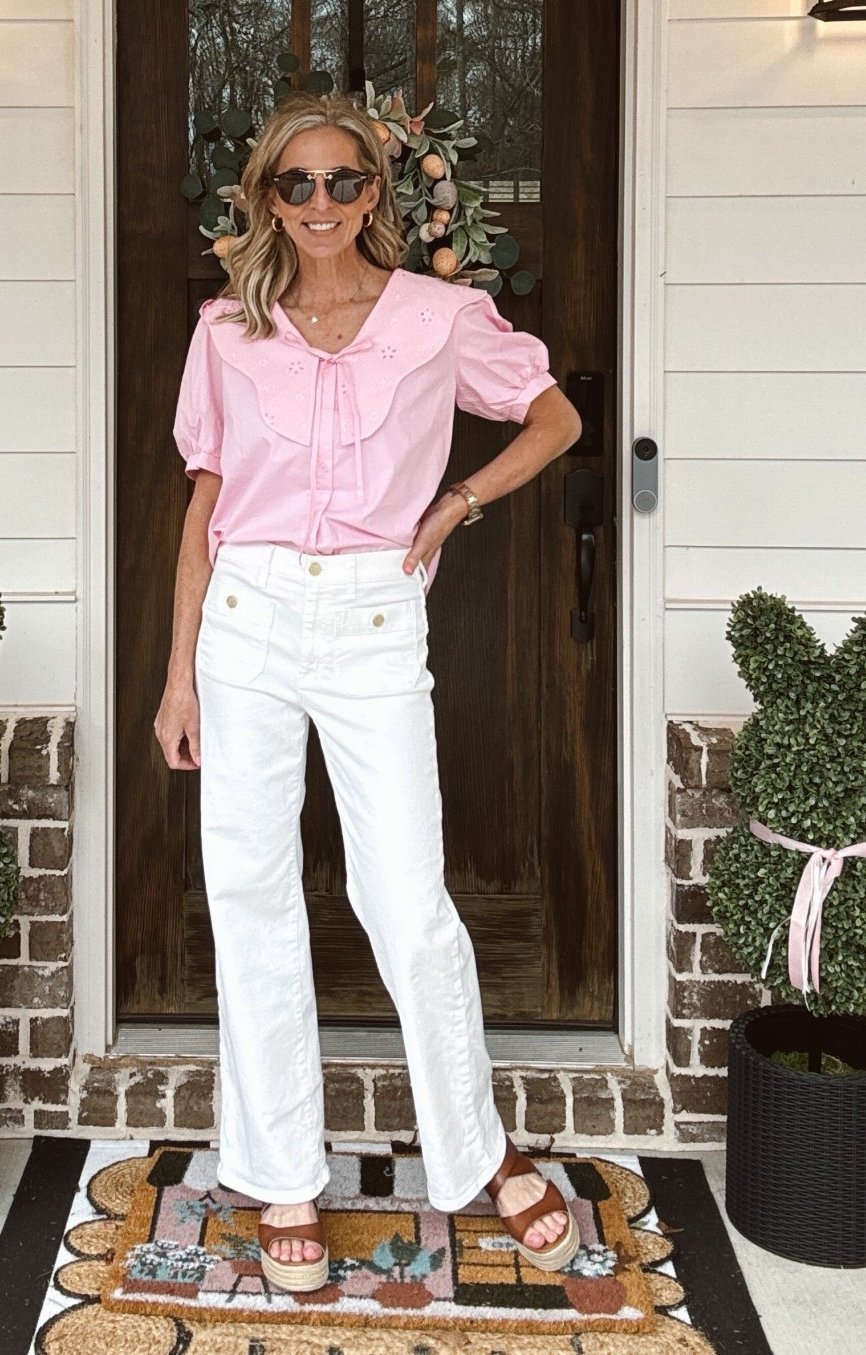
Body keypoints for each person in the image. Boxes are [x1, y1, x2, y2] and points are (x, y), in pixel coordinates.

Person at [154, 90, 585, 1294]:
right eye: (297, 185)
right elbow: (205, 504)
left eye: (346, 180)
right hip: (244, 618)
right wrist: (178, 672)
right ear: (265, 200)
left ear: (377, 192)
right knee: (251, 892)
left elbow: (554, 418)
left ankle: (480, 1156)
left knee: (406, 895)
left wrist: (459, 500)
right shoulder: (227, 333)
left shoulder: (441, 317)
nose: (323, 203)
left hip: (375, 621)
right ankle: (286, 1170)